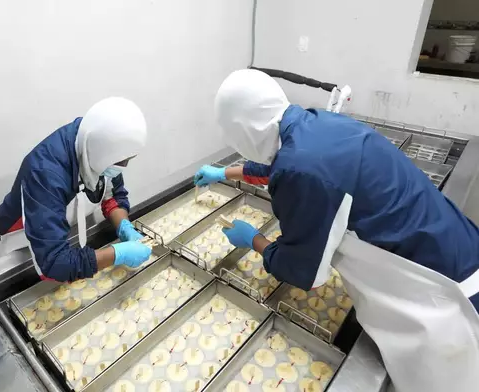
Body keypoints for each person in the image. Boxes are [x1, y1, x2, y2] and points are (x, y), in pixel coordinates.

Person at [194, 69, 479, 392]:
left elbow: (306, 273)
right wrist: (224, 173)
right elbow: (282, 165)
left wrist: (253, 240)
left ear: (243, 130)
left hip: (444, 299)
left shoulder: (301, 169)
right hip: (458, 248)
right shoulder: (316, 124)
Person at [0, 97, 152, 282]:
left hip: (64, 235)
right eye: (121, 162)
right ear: (102, 152)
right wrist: (117, 254)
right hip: (24, 247)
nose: (123, 166)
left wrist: (124, 226)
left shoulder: (100, 148)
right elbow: (53, 263)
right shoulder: (45, 174)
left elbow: (113, 195)